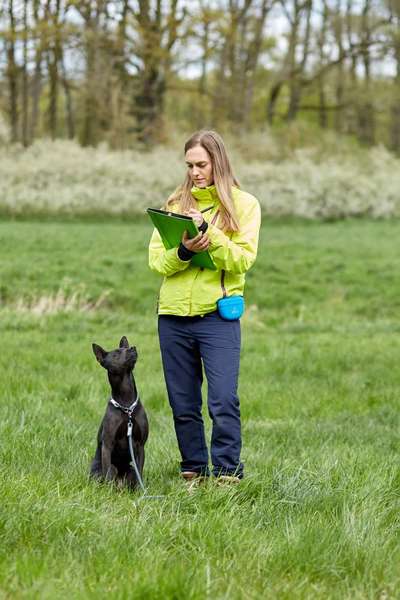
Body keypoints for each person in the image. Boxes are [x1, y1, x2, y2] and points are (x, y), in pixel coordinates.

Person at [148, 129, 261, 484]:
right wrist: (183, 251)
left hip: (218, 316)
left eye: (201, 164)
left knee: (223, 399)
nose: (195, 172)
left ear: (218, 163)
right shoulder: (175, 204)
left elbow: (243, 259)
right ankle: (193, 471)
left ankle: (228, 473)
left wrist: (208, 235)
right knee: (183, 404)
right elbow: (157, 262)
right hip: (173, 316)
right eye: (189, 165)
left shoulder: (245, 205)